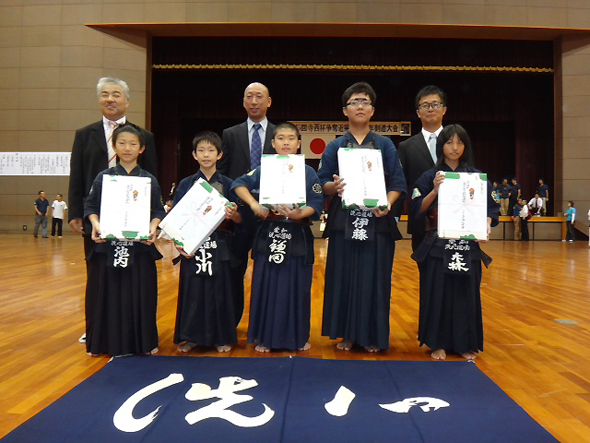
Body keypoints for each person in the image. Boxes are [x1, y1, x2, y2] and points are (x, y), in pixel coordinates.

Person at [68, 76, 158, 344]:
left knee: (132, 272)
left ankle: (130, 327)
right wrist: (76, 213)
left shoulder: (144, 136)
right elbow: (77, 176)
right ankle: (96, 327)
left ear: (127, 100)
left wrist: (151, 220)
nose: (110, 99)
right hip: (95, 217)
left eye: (116, 94)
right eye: (105, 94)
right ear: (99, 100)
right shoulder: (85, 134)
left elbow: (151, 177)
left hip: (134, 217)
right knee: (96, 272)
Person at [318, 82, 406, 353]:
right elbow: (322, 184)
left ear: (372, 110)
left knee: (374, 280)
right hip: (345, 223)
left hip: (377, 222)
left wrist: (387, 205)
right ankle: (346, 334)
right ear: (345, 110)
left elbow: (399, 184)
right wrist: (335, 186)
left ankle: (372, 335)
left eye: (365, 102)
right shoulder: (335, 146)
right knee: (343, 278)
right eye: (354, 102)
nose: (360, 106)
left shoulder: (385, 144)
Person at [410, 124, 499, 360]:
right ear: (442, 146)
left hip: (467, 246)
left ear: (466, 146)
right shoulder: (429, 176)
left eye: (459, 143)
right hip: (437, 245)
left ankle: (464, 343)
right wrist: (435, 191)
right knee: (437, 292)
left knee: (465, 294)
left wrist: (487, 224)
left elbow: (492, 209)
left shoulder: (477, 177)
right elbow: (416, 208)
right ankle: (436, 343)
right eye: (449, 142)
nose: (454, 147)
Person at [232, 122, 323, 352]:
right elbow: (239, 184)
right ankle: (265, 336)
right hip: (269, 232)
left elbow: (317, 202)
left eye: (291, 138)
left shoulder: (308, 171)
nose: (285, 142)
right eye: (280, 138)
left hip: (298, 234)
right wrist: (254, 204)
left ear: (299, 143)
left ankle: (297, 336)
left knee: (297, 287)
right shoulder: (265, 168)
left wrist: (299, 213)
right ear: (272, 144)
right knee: (267, 284)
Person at [83, 123, 165, 357]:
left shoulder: (148, 179)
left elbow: (158, 210)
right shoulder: (104, 177)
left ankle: (142, 342)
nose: (127, 148)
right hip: (109, 247)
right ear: (114, 146)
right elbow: (90, 206)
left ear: (141, 148)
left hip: (139, 249)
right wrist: (96, 225)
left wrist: (152, 227)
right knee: (108, 295)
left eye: (133, 144)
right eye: (122, 143)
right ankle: (104, 343)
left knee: (140, 295)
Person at [173, 131, 242, 354]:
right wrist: (178, 244)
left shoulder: (229, 184)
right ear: (194, 155)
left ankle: (221, 337)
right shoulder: (186, 184)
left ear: (219, 154)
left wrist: (234, 216)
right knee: (194, 292)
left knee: (220, 293)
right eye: (201, 150)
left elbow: (241, 220)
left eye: (211, 150)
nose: (206, 154)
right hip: (193, 247)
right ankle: (192, 337)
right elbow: (176, 216)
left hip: (220, 245)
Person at [218, 82, 276, 326]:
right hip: (239, 215)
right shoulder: (230, 134)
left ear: (269, 101)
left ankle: (265, 325)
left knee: (271, 270)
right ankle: (230, 325)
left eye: (259, 96)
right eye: (249, 96)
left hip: (271, 214)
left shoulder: (280, 134)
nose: (254, 101)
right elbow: (222, 173)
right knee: (234, 269)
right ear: (243, 102)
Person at [396, 85, 447, 251]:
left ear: (444, 109)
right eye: (425, 105)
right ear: (418, 112)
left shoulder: (457, 142)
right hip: (421, 222)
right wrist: (393, 217)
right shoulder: (406, 146)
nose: (430, 109)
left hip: (454, 221)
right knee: (425, 274)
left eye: (435, 104)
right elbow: (400, 184)